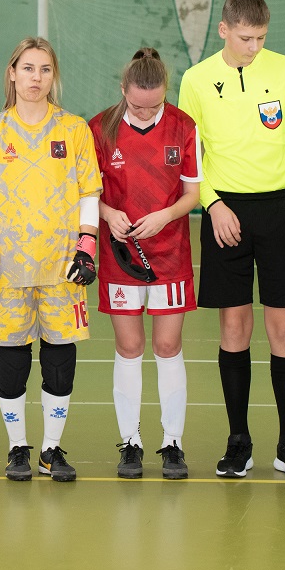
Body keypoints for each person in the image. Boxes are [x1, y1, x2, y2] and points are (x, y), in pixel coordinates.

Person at [177, 0, 285, 480]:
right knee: (234, 328)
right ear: (223, 30)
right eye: (245, 38)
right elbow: (191, 157)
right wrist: (213, 204)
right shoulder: (195, 80)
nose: (254, 47)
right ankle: (238, 441)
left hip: (282, 211)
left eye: (260, 38)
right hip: (225, 212)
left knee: (284, 329)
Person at [0, 36, 102, 481]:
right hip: (7, 269)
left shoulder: (74, 129)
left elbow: (89, 192)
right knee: (13, 364)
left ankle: (51, 450)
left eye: (44, 69)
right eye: (27, 68)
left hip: (63, 267)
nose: (36, 78)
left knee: (59, 363)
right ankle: (17, 449)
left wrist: (87, 247)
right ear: (12, 73)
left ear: (53, 76)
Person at [90, 48, 200, 479]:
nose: (145, 112)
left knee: (168, 347)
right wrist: (107, 213)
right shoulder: (100, 127)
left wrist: (165, 216)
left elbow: (192, 194)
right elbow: (85, 192)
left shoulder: (184, 127)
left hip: (170, 253)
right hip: (120, 255)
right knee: (129, 347)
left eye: (154, 105)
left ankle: (172, 442)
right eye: (137, 105)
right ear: (123, 90)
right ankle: (130, 443)